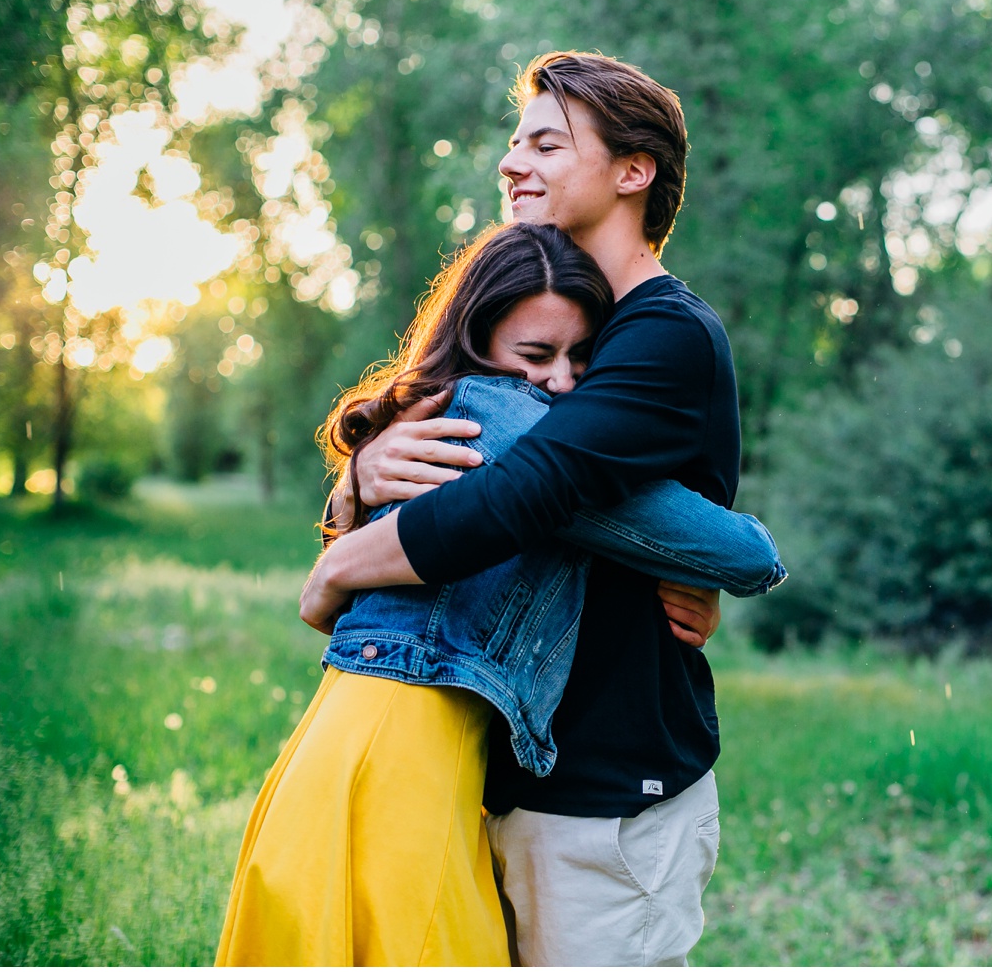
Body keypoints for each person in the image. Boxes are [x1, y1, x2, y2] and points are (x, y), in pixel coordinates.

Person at [217, 223, 783, 966]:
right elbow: (746, 554)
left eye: (582, 354)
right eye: (536, 356)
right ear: (480, 342)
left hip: (366, 741)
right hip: (402, 763)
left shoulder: (431, 414)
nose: (563, 381)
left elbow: (328, 608)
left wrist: (343, 524)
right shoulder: (509, 421)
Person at [300, 51, 749, 966]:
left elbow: (529, 491)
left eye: (547, 142)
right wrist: (357, 483)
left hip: (606, 792)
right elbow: (462, 447)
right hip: (506, 766)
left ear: (633, 172)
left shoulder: (664, 331)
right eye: (513, 143)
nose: (511, 162)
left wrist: (344, 562)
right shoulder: (565, 314)